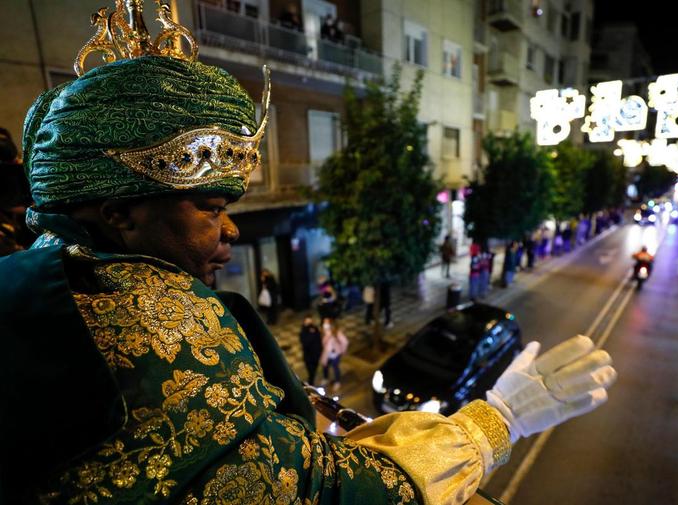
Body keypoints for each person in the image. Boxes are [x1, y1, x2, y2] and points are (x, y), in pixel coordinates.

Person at [0, 3, 617, 504]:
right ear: (119, 214)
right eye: (211, 209)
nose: (232, 231)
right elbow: (320, 491)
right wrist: (499, 420)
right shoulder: (148, 324)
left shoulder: (30, 272)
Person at [320, 317, 349, 392]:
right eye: (324, 323)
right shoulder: (324, 332)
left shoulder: (337, 332)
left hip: (335, 354)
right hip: (327, 353)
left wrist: (342, 350)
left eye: (327, 323)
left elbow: (345, 342)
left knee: (335, 368)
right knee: (325, 366)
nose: (325, 324)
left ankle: (337, 382)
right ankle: (326, 378)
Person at [299, 315, 322, 385]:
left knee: (314, 370)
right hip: (308, 357)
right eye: (307, 322)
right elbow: (305, 343)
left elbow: (319, 339)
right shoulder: (302, 332)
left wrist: (320, 350)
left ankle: (311, 381)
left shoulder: (315, 329)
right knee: (311, 371)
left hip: (316, 355)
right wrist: (312, 334)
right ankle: (311, 383)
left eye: (310, 322)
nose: (309, 324)